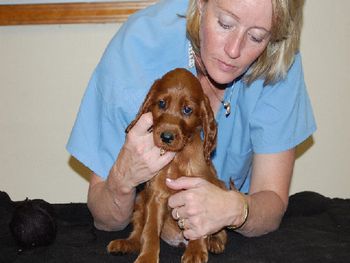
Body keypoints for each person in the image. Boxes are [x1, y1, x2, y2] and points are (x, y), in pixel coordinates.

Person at [67, 0, 316, 239]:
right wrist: (123, 179)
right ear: (200, 4)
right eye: (226, 23)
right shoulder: (136, 50)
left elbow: (271, 202)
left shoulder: (277, 62)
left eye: (256, 37)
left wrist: (235, 209)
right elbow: (105, 219)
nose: (233, 50)